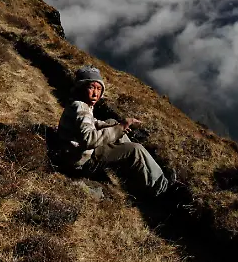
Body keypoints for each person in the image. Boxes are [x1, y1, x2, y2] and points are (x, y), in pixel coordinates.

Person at [57, 65, 172, 196]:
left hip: (76, 154)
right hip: (81, 162)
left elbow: (92, 122)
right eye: (91, 87)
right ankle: (161, 188)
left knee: (111, 122)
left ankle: (137, 166)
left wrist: (115, 126)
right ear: (81, 87)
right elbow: (88, 139)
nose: (95, 93)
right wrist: (120, 128)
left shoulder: (81, 104)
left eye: (99, 89)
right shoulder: (80, 108)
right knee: (135, 149)